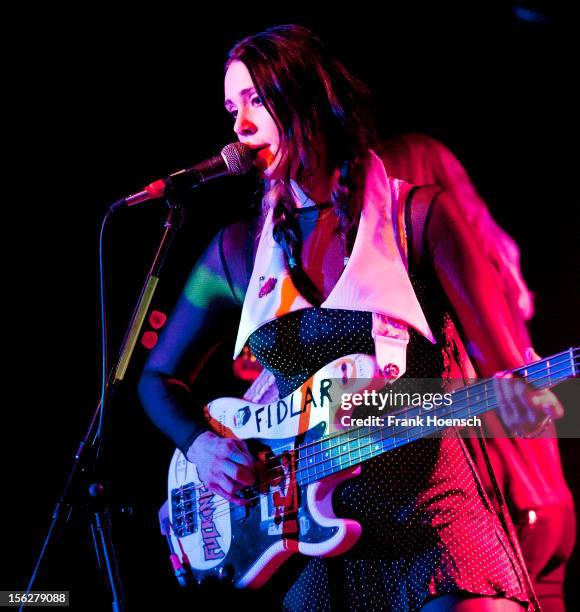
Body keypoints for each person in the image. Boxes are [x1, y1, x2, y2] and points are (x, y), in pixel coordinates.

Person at [138, 25, 561, 611]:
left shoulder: (419, 218)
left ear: (311, 100)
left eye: (257, 99)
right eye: (232, 106)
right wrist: (202, 447)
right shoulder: (235, 254)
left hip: (437, 533)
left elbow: (512, 378)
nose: (238, 124)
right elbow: (156, 380)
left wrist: (526, 406)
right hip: (323, 556)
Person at [378, 133, 576, 612]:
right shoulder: (495, 267)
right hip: (548, 491)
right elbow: (536, 394)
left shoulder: (414, 270)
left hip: (496, 498)